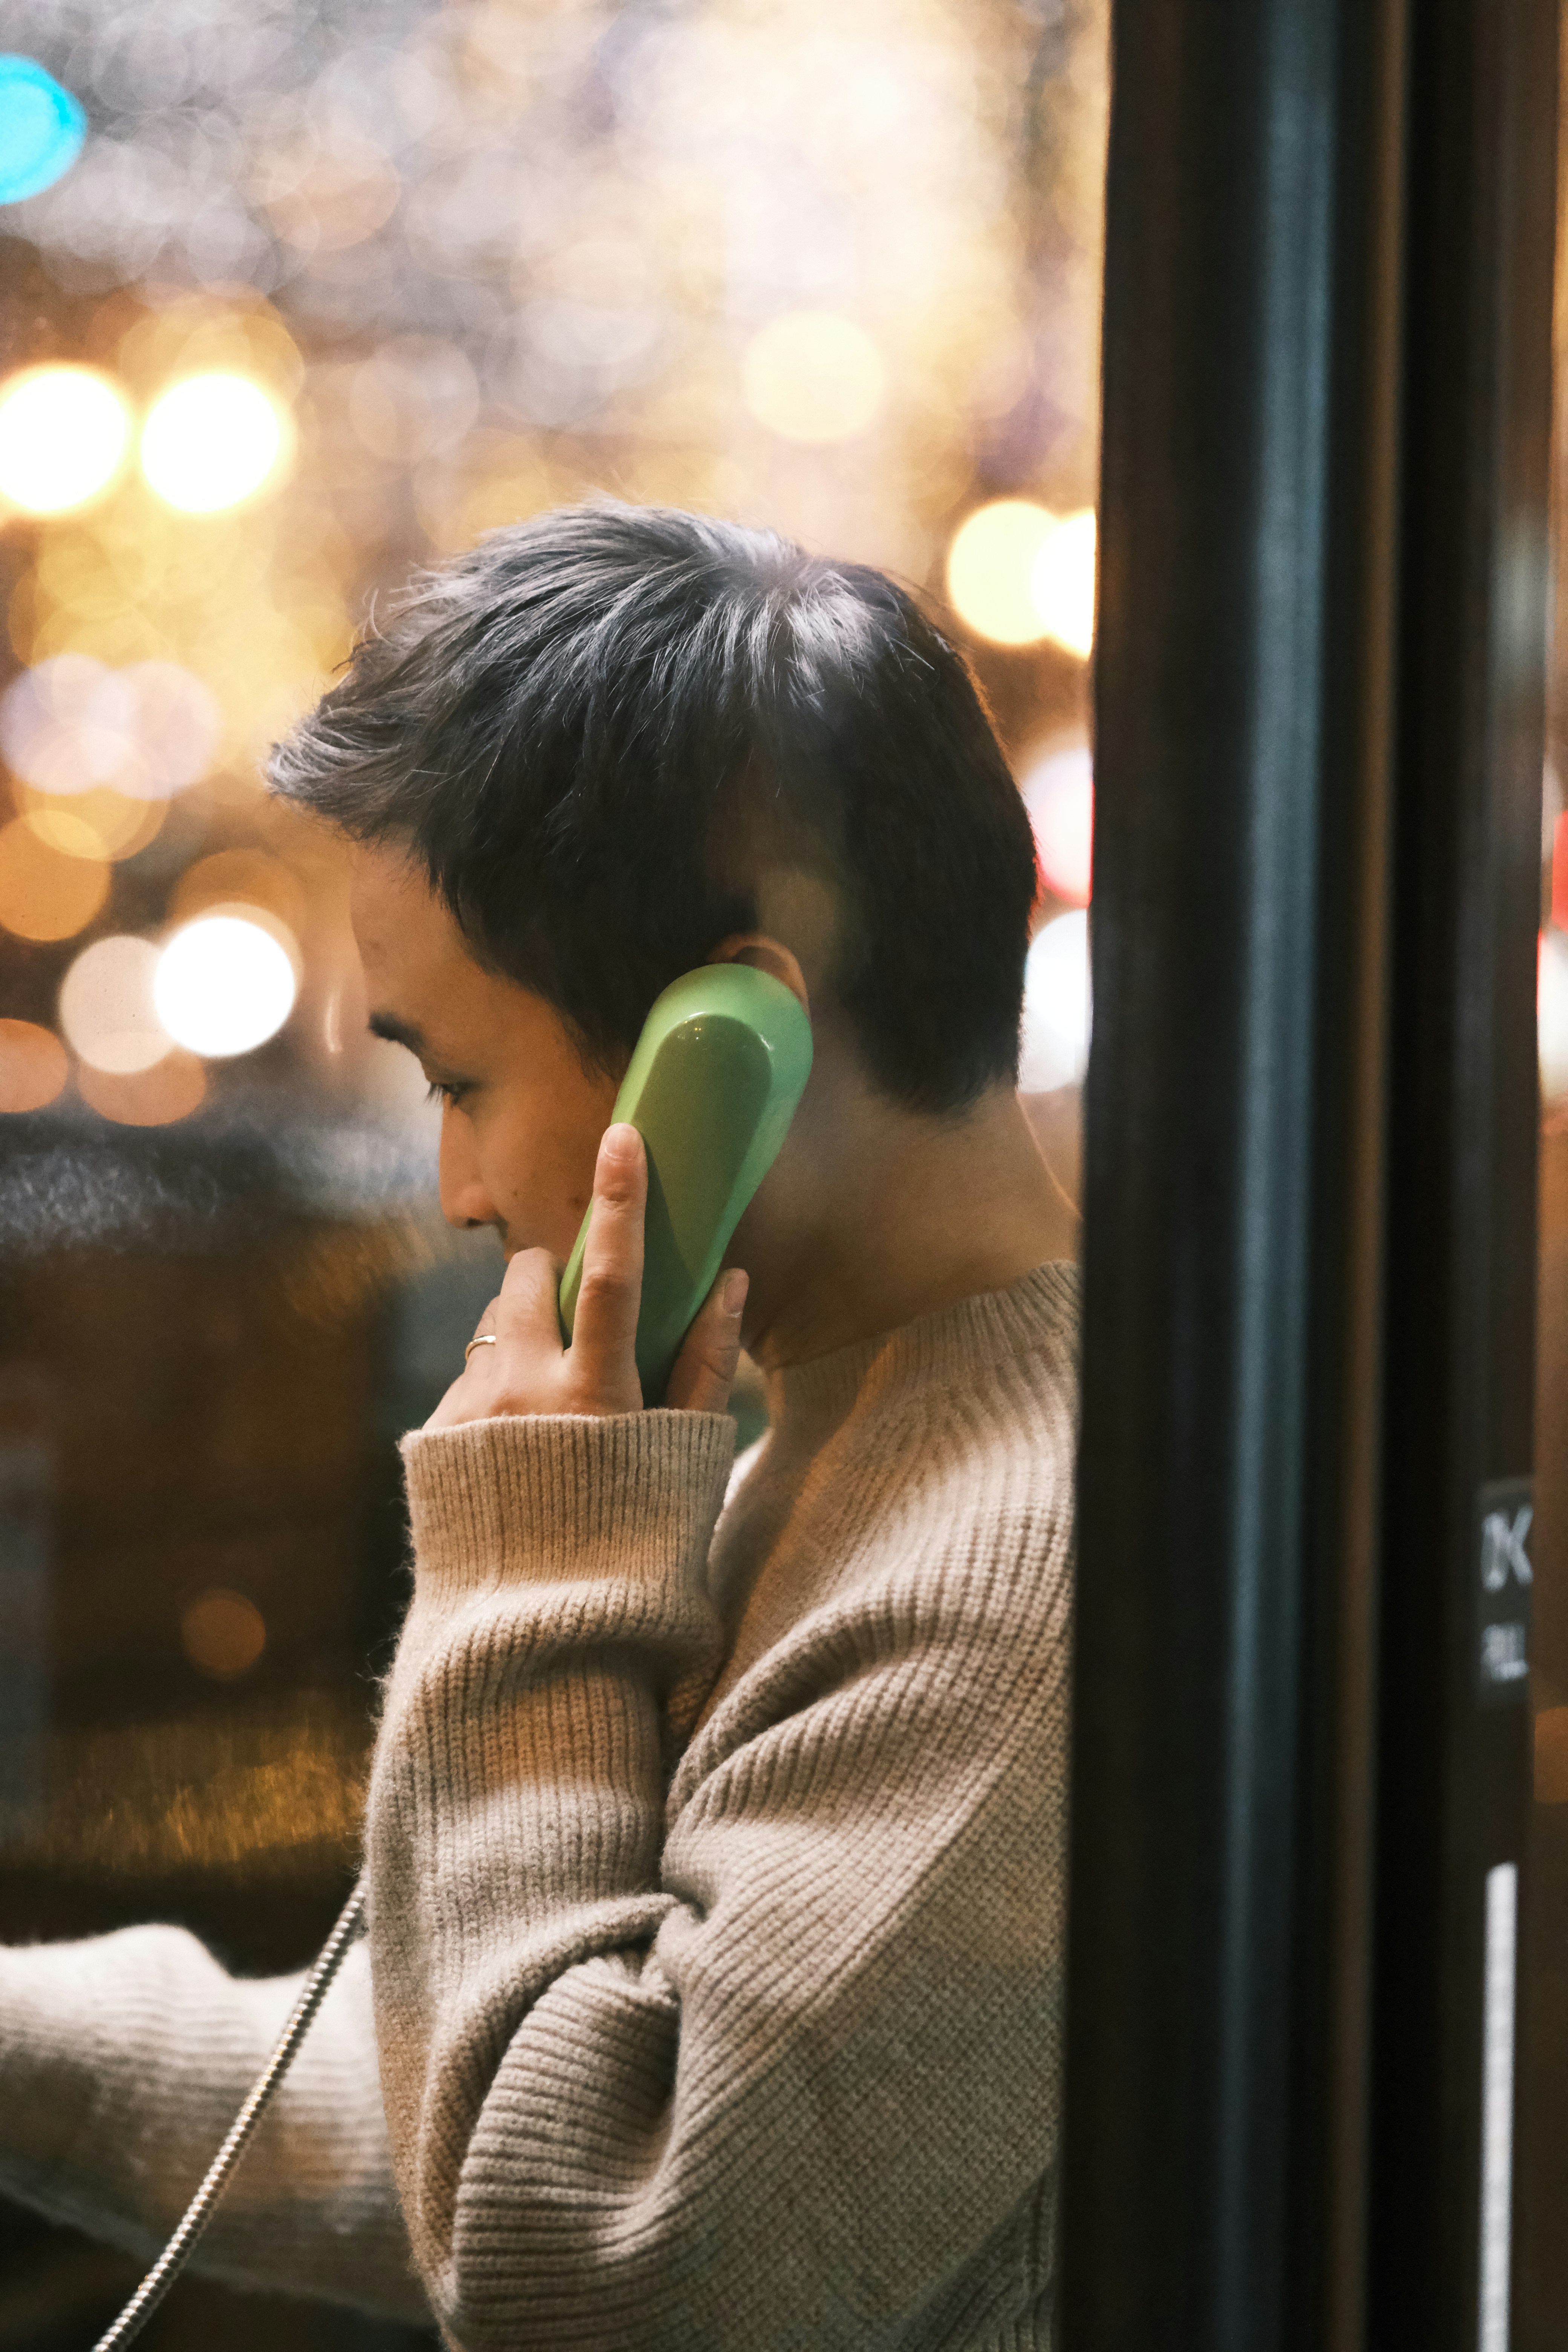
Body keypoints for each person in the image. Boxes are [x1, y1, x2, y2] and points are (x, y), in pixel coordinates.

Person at [0, 505, 1080, 2347]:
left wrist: (536, 1561)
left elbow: (585, 2246)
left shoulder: (1017, 1583)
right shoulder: (848, 1451)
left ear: (728, 1040)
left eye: (462, 1080)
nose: (449, 1189)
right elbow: (478, 2098)